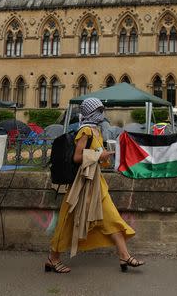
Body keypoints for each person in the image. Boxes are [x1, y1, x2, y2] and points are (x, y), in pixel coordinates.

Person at [46, 97, 143, 274]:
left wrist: (104, 156)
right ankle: (53, 258)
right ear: (91, 112)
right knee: (67, 222)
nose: (102, 114)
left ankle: (124, 255)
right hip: (82, 185)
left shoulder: (95, 130)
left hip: (96, 184)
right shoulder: (86, 131)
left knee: (112, 218)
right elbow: (77, 157)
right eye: (98, 110)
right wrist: (99, 155)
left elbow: (94, 156)